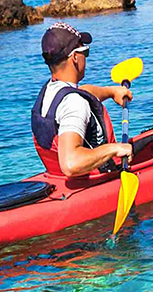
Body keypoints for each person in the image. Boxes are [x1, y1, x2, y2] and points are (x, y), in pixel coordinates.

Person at [30, 22, 133, 177]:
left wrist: (112, 92)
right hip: (94, 180)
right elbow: (70, 164)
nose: (86, 57)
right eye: (85, 52)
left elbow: (84, 92)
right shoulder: (75, 104)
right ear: (75, 58)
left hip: (58, 179)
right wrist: (114, 149)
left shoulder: (50, 92)